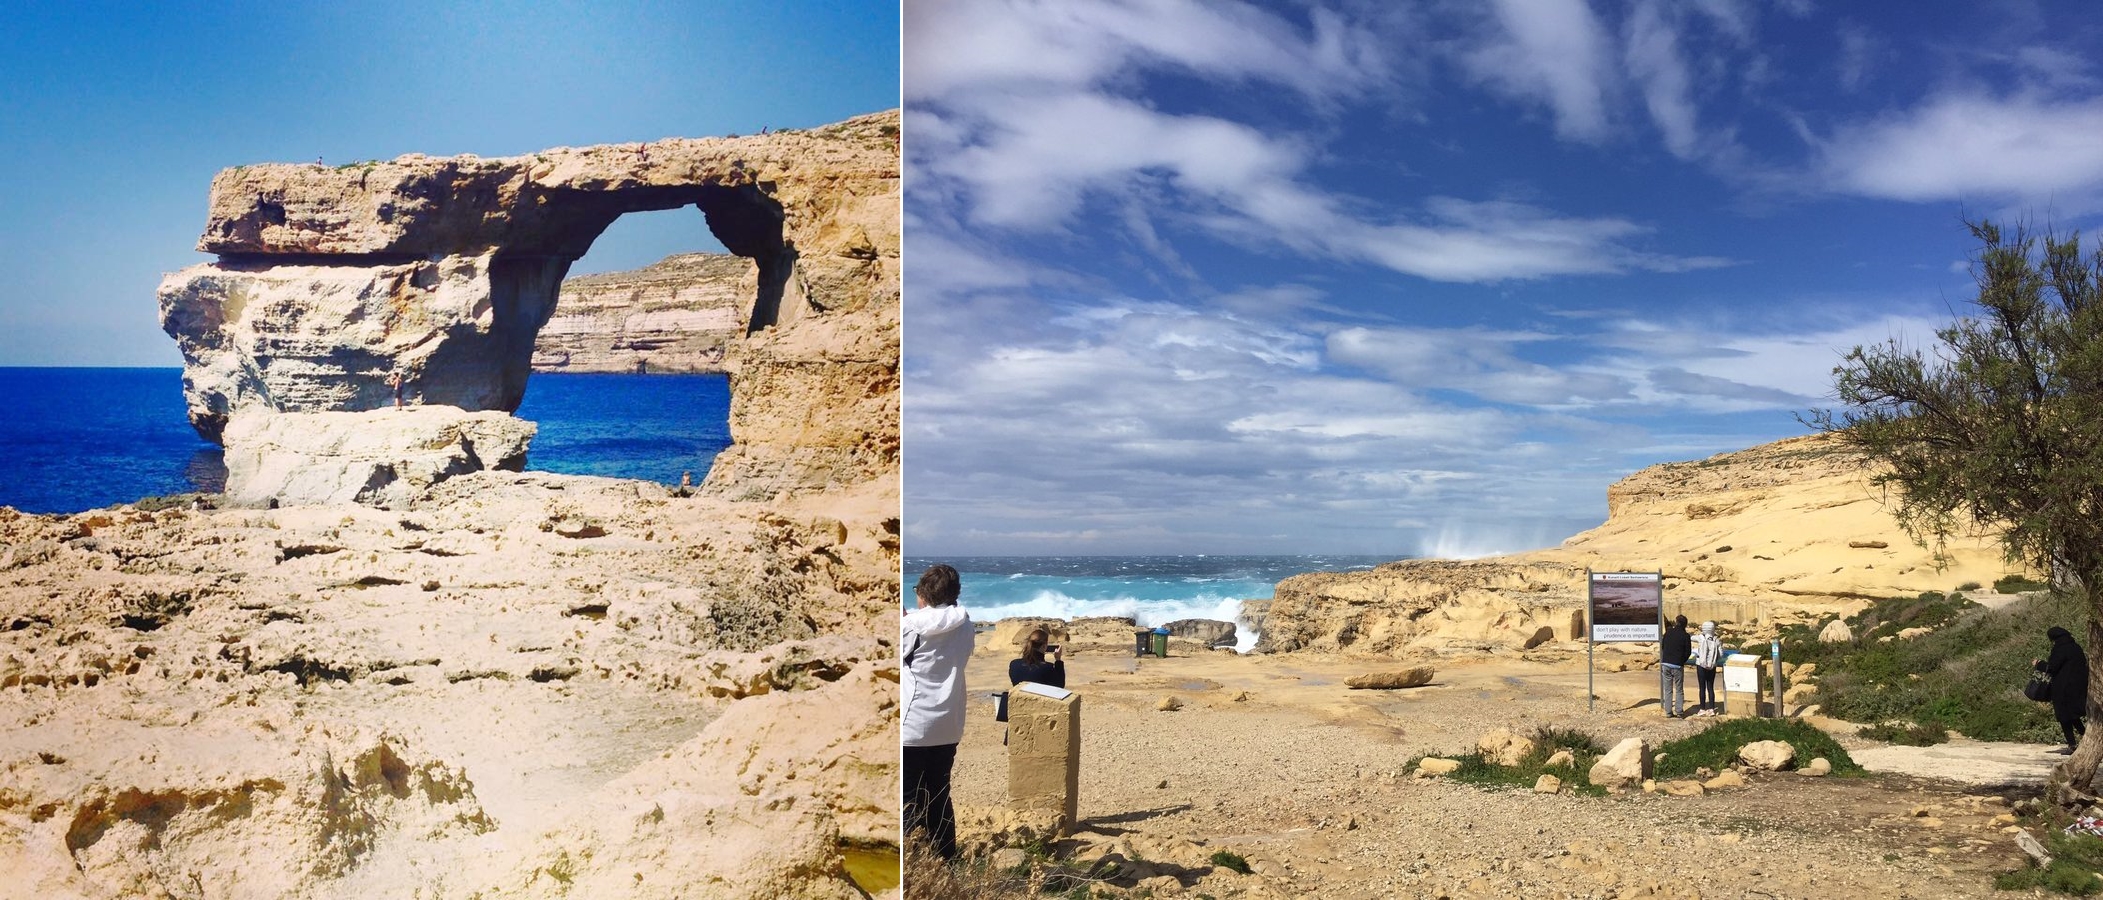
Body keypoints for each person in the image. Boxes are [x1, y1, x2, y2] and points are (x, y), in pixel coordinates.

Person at [902, 564, 971, 861]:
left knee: (908, 800)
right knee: (939, 794)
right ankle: (945, 860)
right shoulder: (965, 622)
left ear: (924, 594)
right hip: (949, 722)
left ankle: (913, 863)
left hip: (913, 724)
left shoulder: (910, 626)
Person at [2039, 626, 2090, 754]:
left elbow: (2052, 667)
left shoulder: (2059, 649)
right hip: (2078, 687)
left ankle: (2072, 745)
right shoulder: (2076, 647)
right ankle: (2086, 738)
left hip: (2062, 688)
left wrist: (2039, 664)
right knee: (2073, 715)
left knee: (2064, 716)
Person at [1691, 620, 1724, 717]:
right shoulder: (1716, 640)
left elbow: (1691, 637)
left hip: (1700, 665)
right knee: (1710, 687)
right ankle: (1711, 709)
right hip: (1712, 666)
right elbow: (1721, 654)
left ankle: (1702, 709)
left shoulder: (1700, 638)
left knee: (1702, 687)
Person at [1659, 615, 1691, 718]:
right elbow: (1688, 652)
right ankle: (1679, 711)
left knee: (1668, 689)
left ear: (1676, 622)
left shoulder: (1668, 632)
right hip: (1677, 665)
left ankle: (1668, 712)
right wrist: (1682, 661)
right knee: (1679, 689)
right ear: (1685, 624)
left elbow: (1663, 646)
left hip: (1666, 663)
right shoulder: (1686, 636)